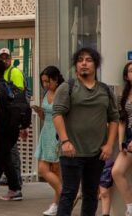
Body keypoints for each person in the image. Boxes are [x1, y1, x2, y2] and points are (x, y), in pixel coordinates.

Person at [53, 47, 119, 216]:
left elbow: (114, 119)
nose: (84, 63)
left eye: (88, 60)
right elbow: (57, 114)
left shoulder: (105, 90)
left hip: (97, 153)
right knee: (69, 194)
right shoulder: (67, 88)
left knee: (91, 195)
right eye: (80, 60)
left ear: (95, 65)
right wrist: (65, 141)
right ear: (76, 65)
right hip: (72, 152)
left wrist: (109, 145)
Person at [0, 59, 23, 201]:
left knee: (4, 158)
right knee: (1, 158)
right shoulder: (9, 85)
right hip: (11, 128)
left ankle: (15, 189)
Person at [32, 66, 64, 215]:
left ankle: (58, 202)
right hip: (47, 131)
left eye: (47, 81)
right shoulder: (47, 92)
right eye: (43, 81)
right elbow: (47, 115)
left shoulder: (61, 92)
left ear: (56, 79)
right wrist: (40, 112)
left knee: (56, 171)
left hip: (58, 133)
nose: (45, 84)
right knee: (43, 169)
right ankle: (64, 195)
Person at [0, 47, 25, 188]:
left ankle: (16, 177)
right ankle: (9, 176)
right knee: (5, 149)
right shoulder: (0, 73)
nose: (4, 60)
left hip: (12, 118)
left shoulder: (14, 72)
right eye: (1, 58)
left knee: (12, 149)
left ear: (11, 59)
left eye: (6, 58)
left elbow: (19, 95)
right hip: (4, 117)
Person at [111, 61, 132, 216]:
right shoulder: (123, 96)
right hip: (128, 139)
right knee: (117, 171)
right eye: (131, 71)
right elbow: (122, 120)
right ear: (126, 76)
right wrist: (120, 142)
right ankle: (130, 206)